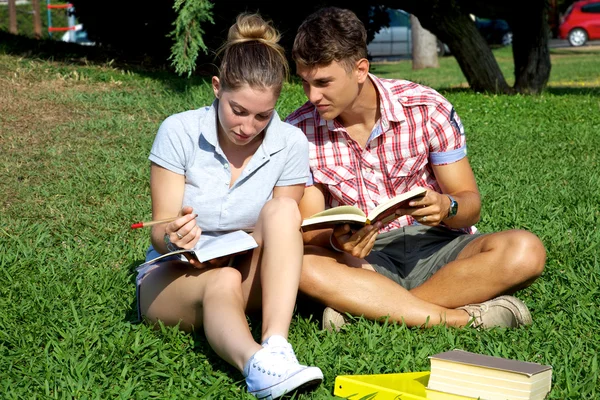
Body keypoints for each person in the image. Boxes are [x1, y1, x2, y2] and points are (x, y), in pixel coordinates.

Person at [285, 7, 547, 332]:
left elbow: (469, 206)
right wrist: (339, 240)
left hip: (438, 247)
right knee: (301, 263)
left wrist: (446, 205)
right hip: (364, 261)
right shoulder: (297, 131)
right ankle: (459, 318)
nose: (313, 96)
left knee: (526, 251)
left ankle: (370, 309)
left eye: (323, 82)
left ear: (360, 70)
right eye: (305, 83)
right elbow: (310, 229)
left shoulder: (425, 108)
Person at [136, 13, 323, 399]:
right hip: (175, 277)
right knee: (220, 281)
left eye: (263, 116)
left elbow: (278, 231)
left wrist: (234, 251)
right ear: (217, 87)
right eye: (238, 110)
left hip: (247, 267)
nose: (248, 127)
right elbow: (159, 231)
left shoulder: (289, 142)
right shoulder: (180, 131)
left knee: (286, 211)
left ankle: (276, 344)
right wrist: (174, 237)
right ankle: (257, 367)